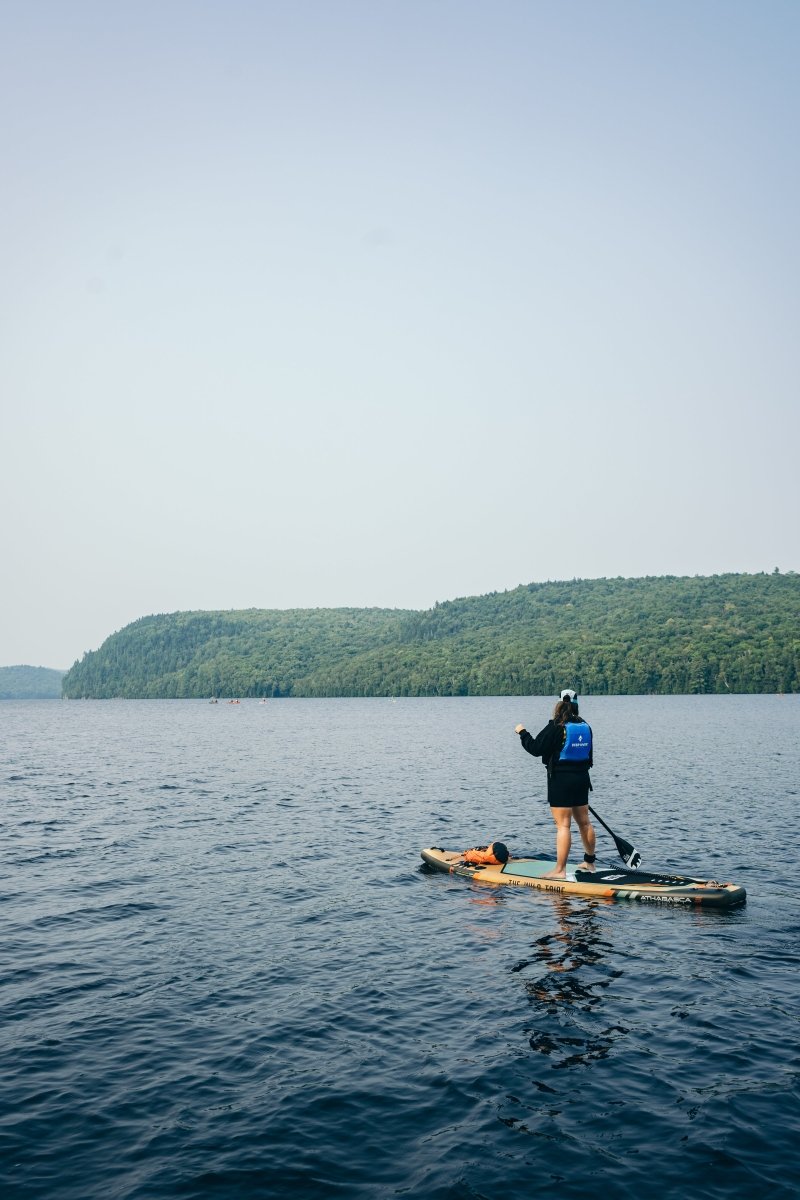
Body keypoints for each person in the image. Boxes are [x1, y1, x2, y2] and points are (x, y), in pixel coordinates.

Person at [514, 689, 596, 879]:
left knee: (563, 826)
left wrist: (522, 732)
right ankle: (590, 862)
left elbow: (535, 748)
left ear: (558, 705)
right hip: (582, 779)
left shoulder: (556, 726)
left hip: (561, 781)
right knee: (585, 823)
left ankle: (560, 870)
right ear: (576, 706)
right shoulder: (586, 727)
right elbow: (590, 758)